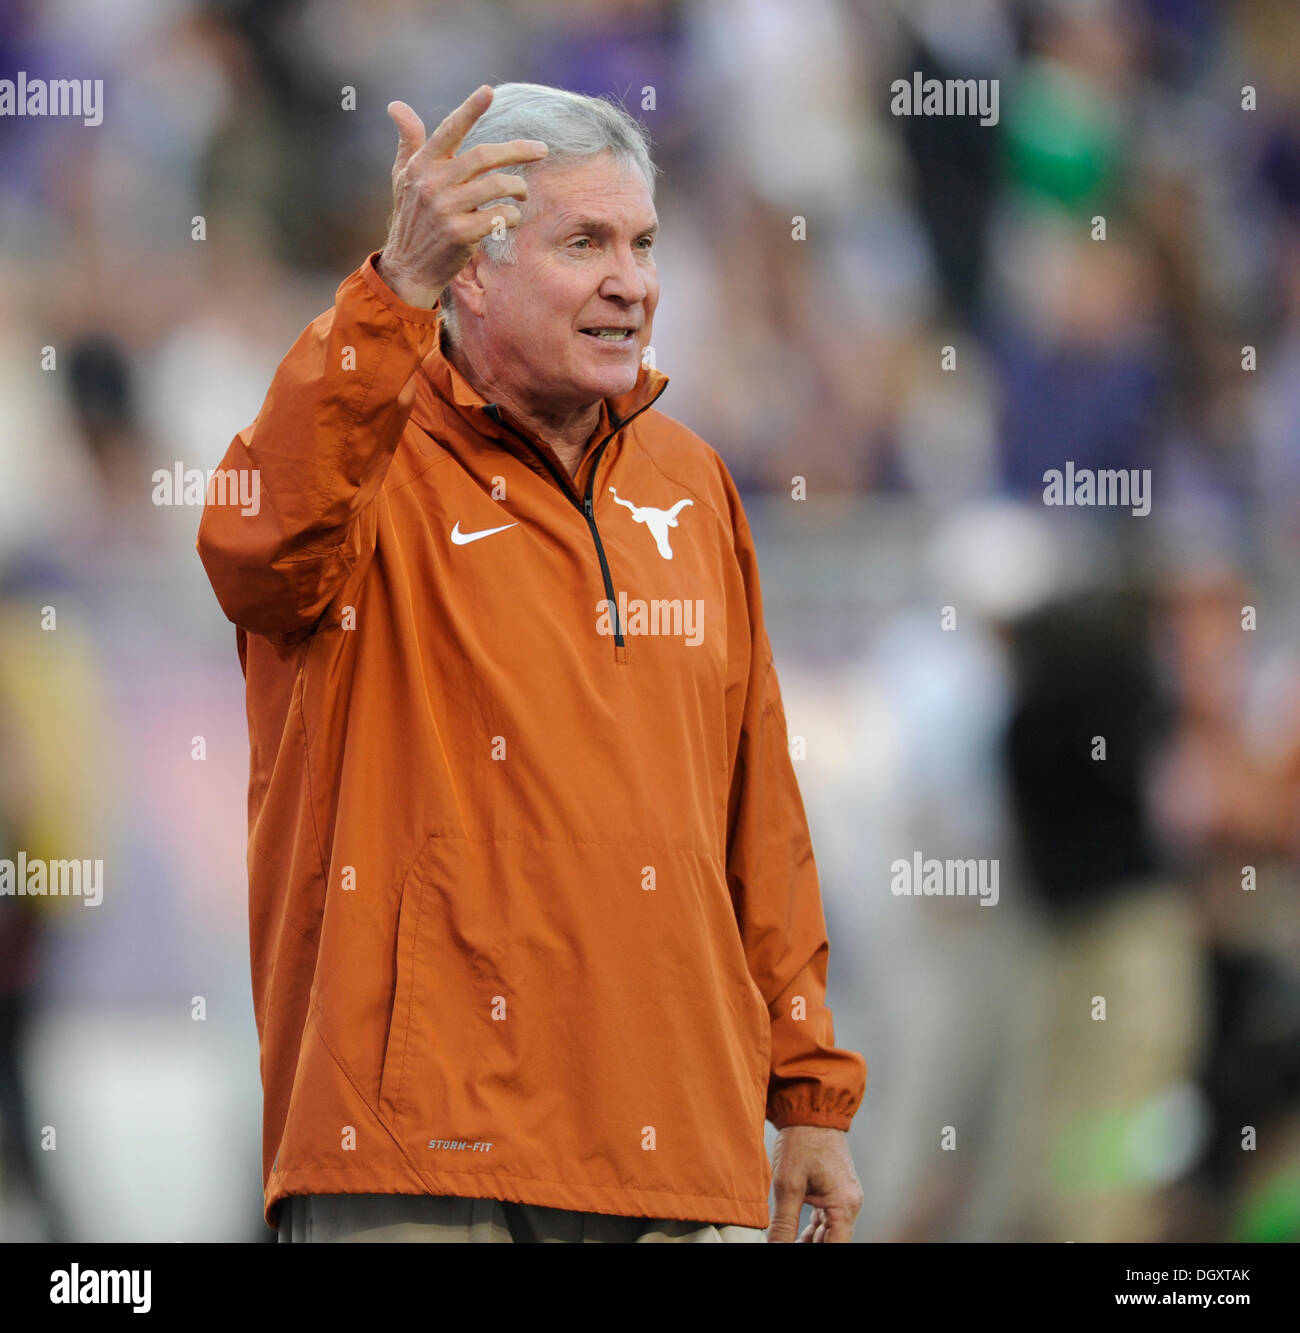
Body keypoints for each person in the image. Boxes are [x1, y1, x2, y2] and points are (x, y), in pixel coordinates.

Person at [197, 81, 865, 1244]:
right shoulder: (364, 450)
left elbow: (759, 816)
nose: (633, 282)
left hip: (670, 1145)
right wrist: (386, 293)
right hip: (416, 1146)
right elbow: (257, 556)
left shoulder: (694, 486)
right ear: (471, 271)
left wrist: (810, 1093)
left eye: (645, 244)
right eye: (585, 244)